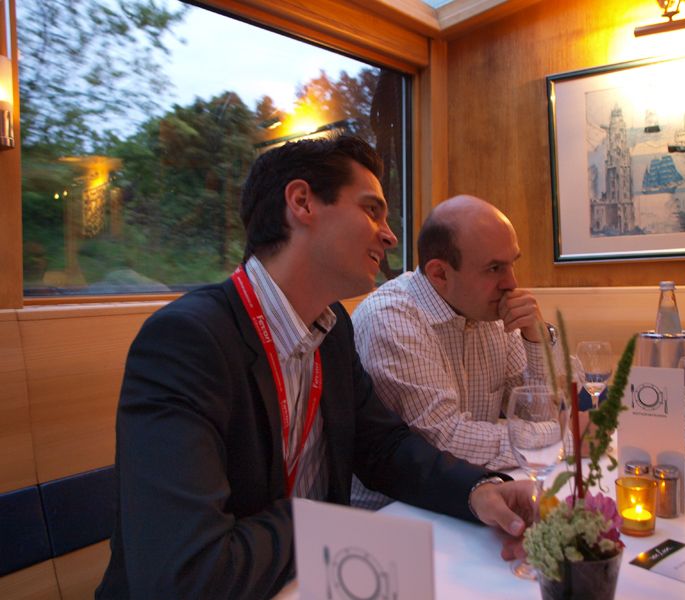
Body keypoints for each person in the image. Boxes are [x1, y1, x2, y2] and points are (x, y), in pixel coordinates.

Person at [95, 137, 534, 599]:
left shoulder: (331, 328)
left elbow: (384, 447)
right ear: (302, 203)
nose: (389, 235)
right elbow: (187, 575)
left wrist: (478, 491)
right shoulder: (187, 342)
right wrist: (319, 520)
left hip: (310, 577)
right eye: (371, 211)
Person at [351, 194, 562, 510]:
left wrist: (536, 338)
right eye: (494, 268)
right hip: (391, 515)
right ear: (439, 274)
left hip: (468, 496)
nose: (512, 283)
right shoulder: (392, 316)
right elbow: (445, 441)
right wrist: (562, 438)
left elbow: (540, 409)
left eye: (512, 263)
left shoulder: (486, 310)